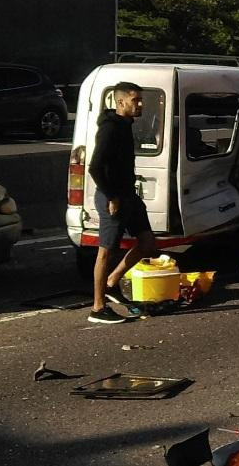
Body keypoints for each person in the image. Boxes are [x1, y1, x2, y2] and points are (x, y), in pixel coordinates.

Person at [86, 81, 158, 324]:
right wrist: (112, 196)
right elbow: (95, 167)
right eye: (135, 100)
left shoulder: (126, 125)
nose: (140, 104)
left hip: (129, 195)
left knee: (147, 243)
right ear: (120, 102)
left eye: (140, 100)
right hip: (112, 198)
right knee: (106, 251)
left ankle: (112, 282)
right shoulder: (110, 128)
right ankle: (97, 308)